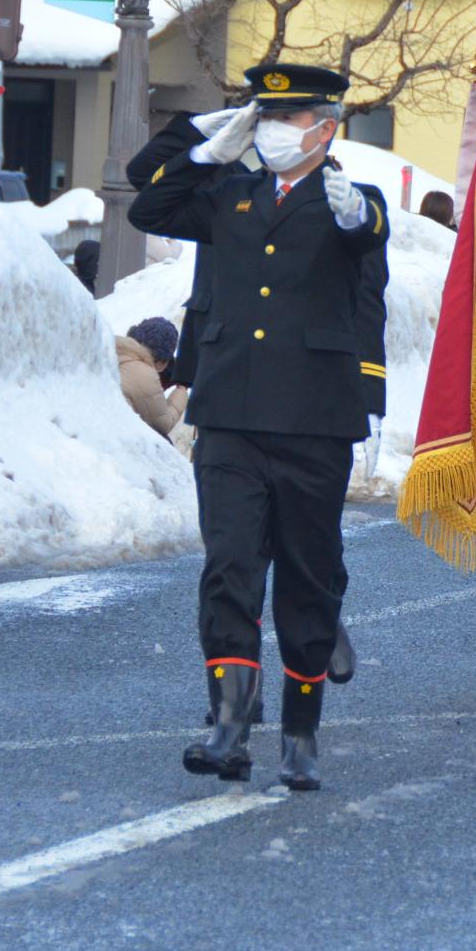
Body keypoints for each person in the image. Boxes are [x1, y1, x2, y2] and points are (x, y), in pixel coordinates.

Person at [129, 63, 388, 791]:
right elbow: (148, 207)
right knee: (230, 567)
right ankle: (229, 725)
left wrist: (354, 216)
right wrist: (207, 148)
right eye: (265, 116)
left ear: (324, 127)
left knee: (306, 577)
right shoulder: (230, 195)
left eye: (288, 116)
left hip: (313, 420)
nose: (273, 128)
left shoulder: (351, 202)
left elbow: (370, 236)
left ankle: (301, 731)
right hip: (232, 414)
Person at [118, 316, 188, 436]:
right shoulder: (144, 374)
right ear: (162, 361)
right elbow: (164, 424)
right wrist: (181, 389)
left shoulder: (110, 348)